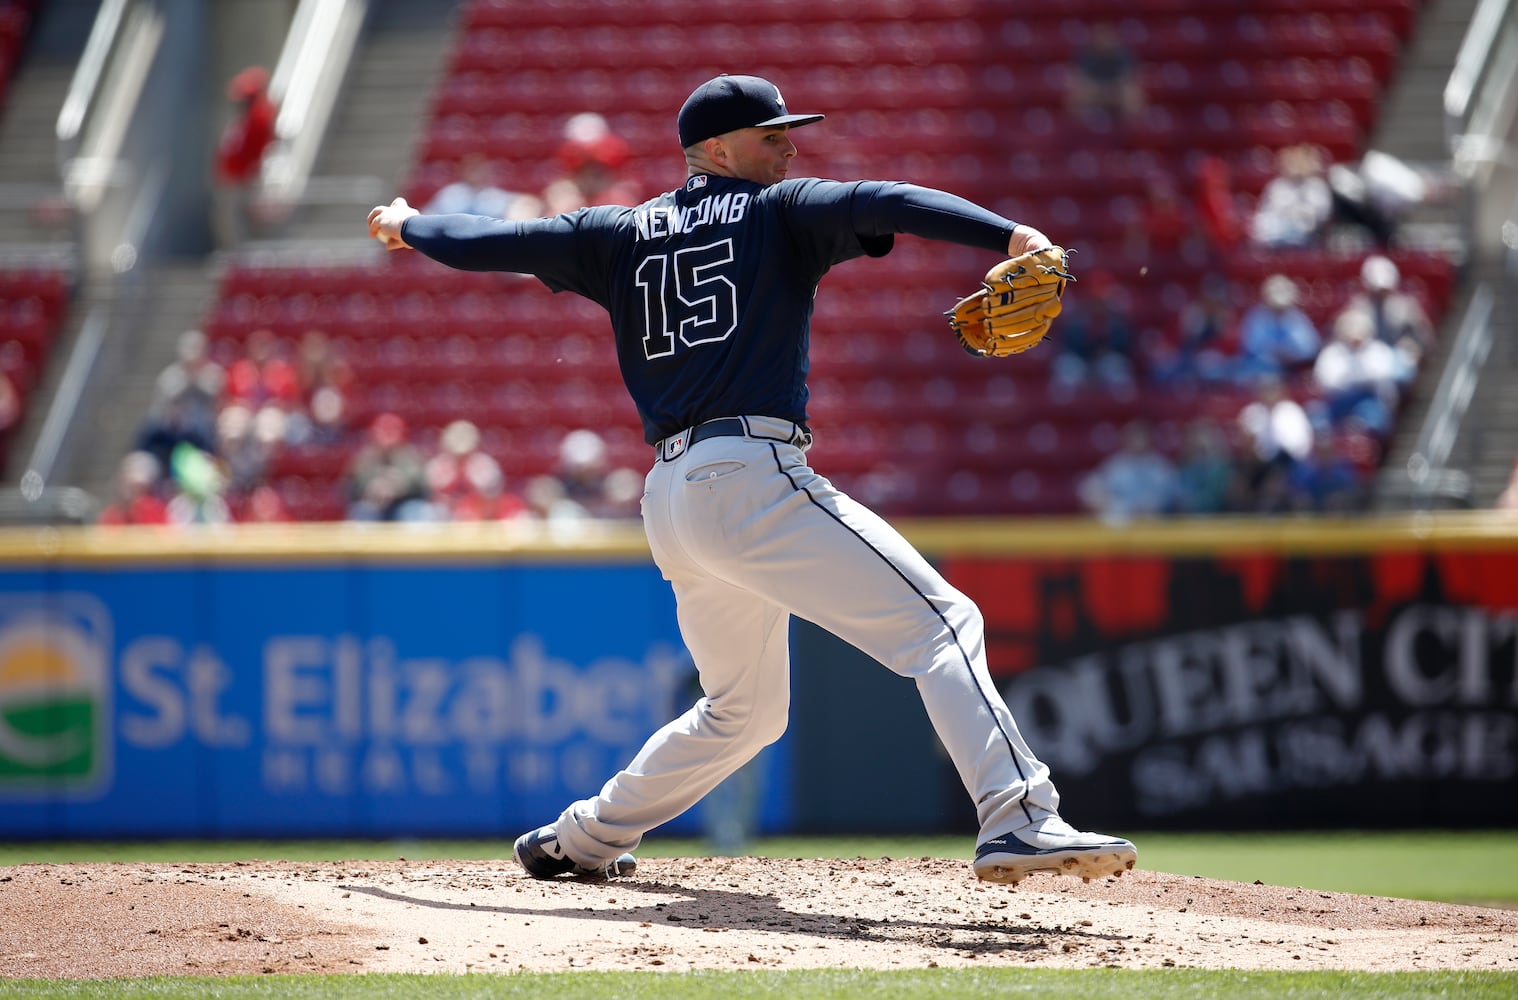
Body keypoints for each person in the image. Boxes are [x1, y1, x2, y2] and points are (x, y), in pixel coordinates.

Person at [368, 72, 1137, 885]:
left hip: (669, 501)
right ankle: (1019, 816)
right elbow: (897, 199)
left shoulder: (618, 231)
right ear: (717, 149)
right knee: (942, 626)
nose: (790, 145)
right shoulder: (780, 210)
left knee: (744, 712)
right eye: (773, 135)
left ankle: (584, 837)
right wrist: (1012, 235)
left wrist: (412, 224)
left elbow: (492, 241)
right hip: (751, 475)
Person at [213, 65, 279, 247]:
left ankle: (244, 253)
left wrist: (250, 171)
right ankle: (237, 251)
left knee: (244, 219)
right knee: (230, 219)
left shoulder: (257, 119)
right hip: (234, 178)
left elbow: (258, 147)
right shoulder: (243, 121)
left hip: (244, 178)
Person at [1077, 419, 1179, 522]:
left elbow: (1172, 497)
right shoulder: (1115, 465)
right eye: (1133, 437)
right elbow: (1092, 490)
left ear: (1149, 438)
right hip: (1122, 521)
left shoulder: (1161, 467)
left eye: (1140, 437)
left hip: (1155, 521)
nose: (1137, 441)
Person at [1234, 274, 1321, 386]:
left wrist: (1289, 354)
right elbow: (1250, 347)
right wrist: (1273, 352)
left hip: (1290, 370)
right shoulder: (1257, 316)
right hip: (1260, 368)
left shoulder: (1297, 318)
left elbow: (1310, 348)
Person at [1248, 144, 1334, 251]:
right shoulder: (1276, 186)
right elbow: (1264, 215)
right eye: (1289, 163)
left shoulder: (1316, 186)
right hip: (1276, 238)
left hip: (1308, 239)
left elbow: (1319, 217)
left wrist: (1295, 218)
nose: (1292, 167)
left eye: (1297, 163)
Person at [1065, 22, 1145, 125]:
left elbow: (1128, 78)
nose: (1103, 41)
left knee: (1132, 95)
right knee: (1075, 98)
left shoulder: (1122, 55)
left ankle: (1132, 133)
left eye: (1106, 38)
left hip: (1115, 91)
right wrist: (1097, 90)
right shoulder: (1086, 55)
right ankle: (1083, 130)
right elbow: (1079, 78)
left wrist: (1110, 91)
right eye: (1100, 37)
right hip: (1094, 91)